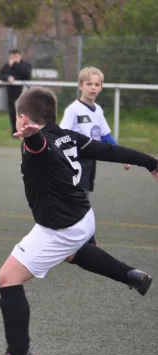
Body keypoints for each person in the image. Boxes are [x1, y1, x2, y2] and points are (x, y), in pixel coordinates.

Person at [0, 87, 155, 355]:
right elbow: (108, 150)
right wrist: (150, 162)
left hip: (59, 228)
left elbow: (41, 150)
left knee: (7, 278)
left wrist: (32, 137)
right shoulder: (68, 136)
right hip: (83, 218)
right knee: (74, 252)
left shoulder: (37, 143)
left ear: (23, 118)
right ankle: (131, 276)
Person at [59, 66, 131, 235]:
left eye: (96, 84)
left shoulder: (98, 110)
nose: (93, 87)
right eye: (89, 83)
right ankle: (76, 234)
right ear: (80, 86)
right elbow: (61, 135)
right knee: (79, 197)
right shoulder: (73, 110)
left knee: (85, 195)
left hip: (91, 162)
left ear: (101, 87)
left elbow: (106, 136)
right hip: (76, 162)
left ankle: (78, 233)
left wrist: (124, 157)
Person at [0, 48, 32, 137]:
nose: (13, 59)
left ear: (19, 56)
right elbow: (1, 75)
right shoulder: (8, 65)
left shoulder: (25, 65)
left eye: (15, 56)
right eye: (12, 57)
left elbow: (26, 74)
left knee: (23, 114)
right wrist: (8, 78)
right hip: (11, 94)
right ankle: (15, 132)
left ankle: (26, 132)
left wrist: (16, 65)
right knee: (13, 113)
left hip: (23, 94)